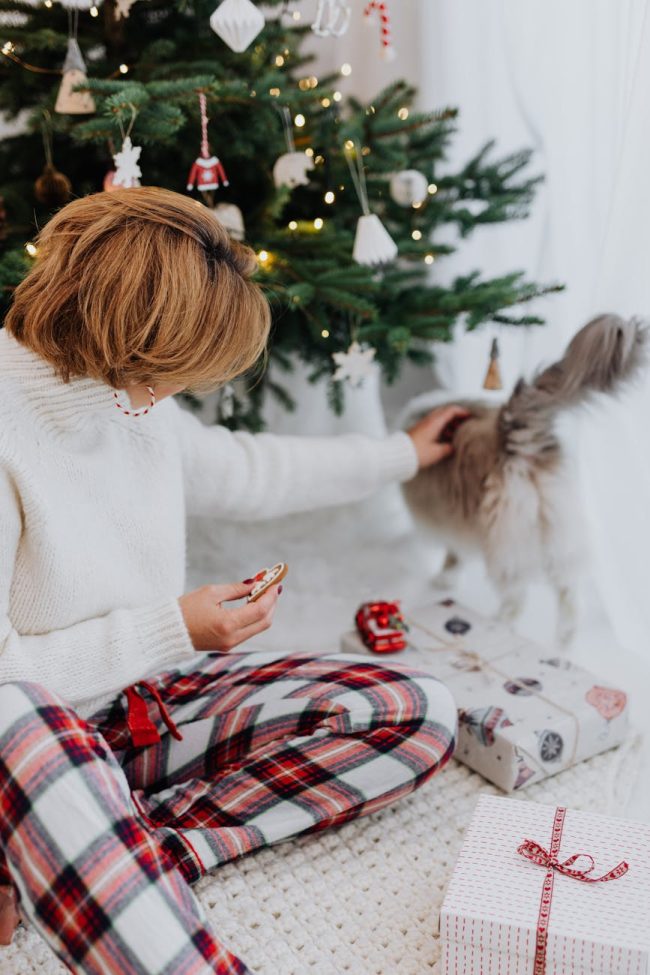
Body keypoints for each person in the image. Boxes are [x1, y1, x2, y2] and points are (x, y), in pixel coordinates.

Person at [0, 187, 463, 975]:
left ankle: (127, 852)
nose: (180, 392)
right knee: (16, 709)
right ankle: (94, 865)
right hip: (26, 745)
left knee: (414, 710)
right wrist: (172, 627)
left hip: (138, 713)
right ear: (128, 338)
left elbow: (253, 469)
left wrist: (403, 454)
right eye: (171, 373)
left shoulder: (131, 404)